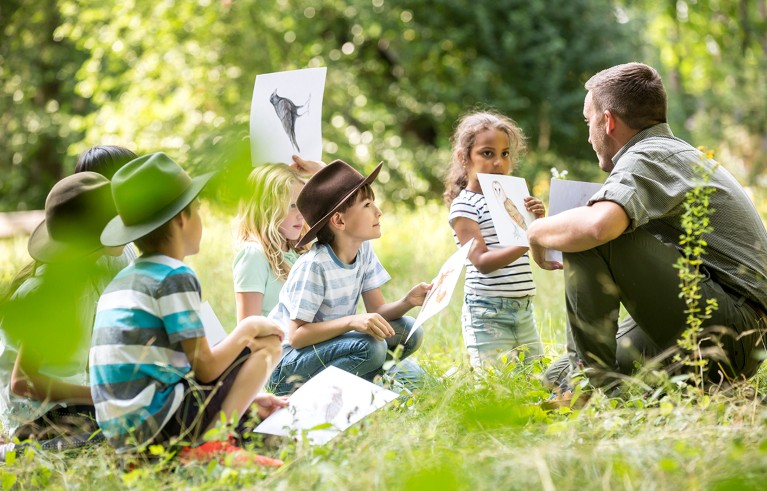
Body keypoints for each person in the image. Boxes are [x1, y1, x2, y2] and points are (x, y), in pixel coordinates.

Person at [527, 62, 767, 389]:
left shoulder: (649, 155)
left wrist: (535, 232)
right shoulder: (669, 153)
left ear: (608, 121)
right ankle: (592, 384)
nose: (588, 134)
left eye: (588, 121)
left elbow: (598, 229)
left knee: (590, 232)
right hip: (724, 330)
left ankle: (596, 391)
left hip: (732, 331)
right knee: (555, 380)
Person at [90, 152, 285, 463]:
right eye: (196, 210)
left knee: (247, 350)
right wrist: (248, 329)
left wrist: (245, 395)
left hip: (123, 433)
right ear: (183, 218)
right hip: (159, 423)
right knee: (268, 342)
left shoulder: (123, 280)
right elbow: (205, 367)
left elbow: (178, 366)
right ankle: (214, 443)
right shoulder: (174, 276)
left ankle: (219, 433)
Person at [0, 145, 140, 457]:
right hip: (40, 413)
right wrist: (99, 395)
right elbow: (23, 381)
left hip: (79, 396)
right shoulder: (46, 292)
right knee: (121, 438)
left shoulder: (105, 263)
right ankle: (16, 453)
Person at [268, 160, 430, 395]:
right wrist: (351, 321)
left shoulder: (363, 251)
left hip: (333, 347)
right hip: (288, 366)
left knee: (409, 330)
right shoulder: (314, 266)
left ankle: (366, 381)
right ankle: (328, 393)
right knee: (372, 348)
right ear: (339, 221)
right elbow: (296, 336)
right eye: (367, 205)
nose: (378, 211)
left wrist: (408, 301)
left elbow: (379, 311)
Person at [443, 111, 546, 368]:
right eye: (487, 153)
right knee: (496, 387)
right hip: (488, 312)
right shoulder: (464, 206)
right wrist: (526, 237)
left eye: (505, 153)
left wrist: (539, 224)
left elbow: (535, 256)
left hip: (523, 309)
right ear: (463, 157)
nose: (498, 162)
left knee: (536, 381)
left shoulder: (512, 199)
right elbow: (482, 262)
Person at [232, 162, 313, 320]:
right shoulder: (254, 255)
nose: (301, 214)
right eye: (291, 206)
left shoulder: (300, 251)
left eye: (302, 205)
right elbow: (248, 328)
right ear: (267, 208)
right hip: (277, 344)